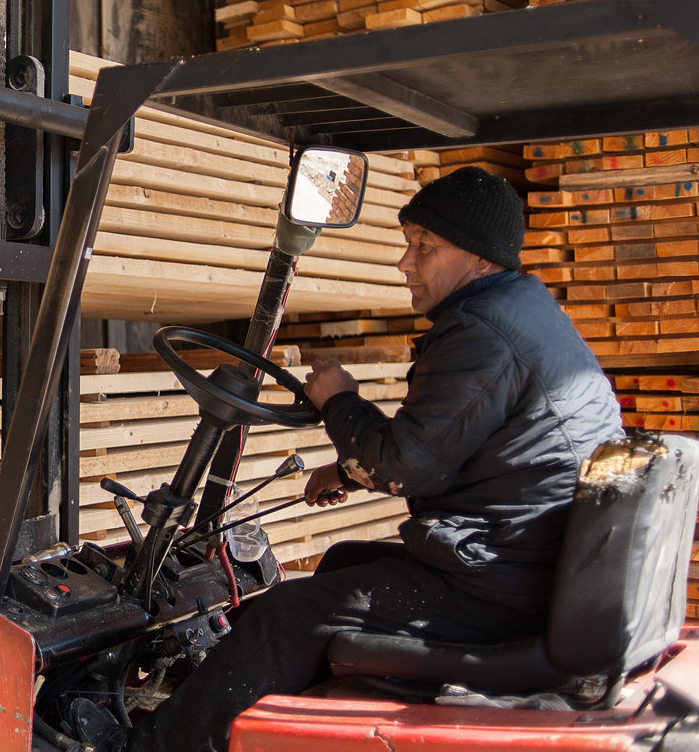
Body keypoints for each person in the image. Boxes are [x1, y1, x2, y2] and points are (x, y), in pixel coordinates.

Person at [120, 166, 622, 752]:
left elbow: (405, 464)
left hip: (499, 585)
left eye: (425, 247)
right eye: (409, 245)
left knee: (286, 612)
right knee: (337, 562)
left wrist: (339, 401)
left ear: (481, 259)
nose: (406, 263)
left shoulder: (482, 334)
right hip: (523, 561)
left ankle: (153, 746)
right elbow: (460, 444)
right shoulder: (520, 313)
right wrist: (349, 468)